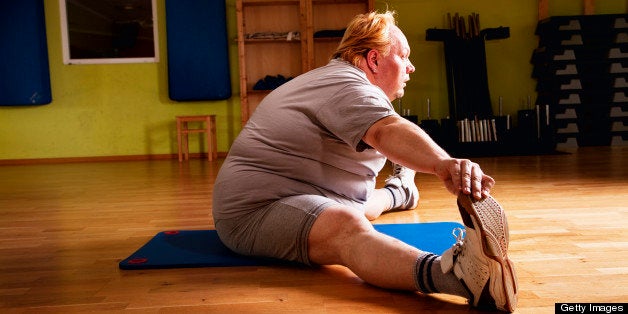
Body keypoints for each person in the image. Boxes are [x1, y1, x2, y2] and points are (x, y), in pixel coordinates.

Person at [213, 11, 517, 312]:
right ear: (373, 60)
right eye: (404, 56)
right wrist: (444, 164)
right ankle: (461, 278)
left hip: (310, 191)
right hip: (255, 210)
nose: (411, 68)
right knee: (345, 224)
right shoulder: (344, 85)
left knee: (351, 203)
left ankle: (399, 192)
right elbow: (386, 131)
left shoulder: (341, 84)